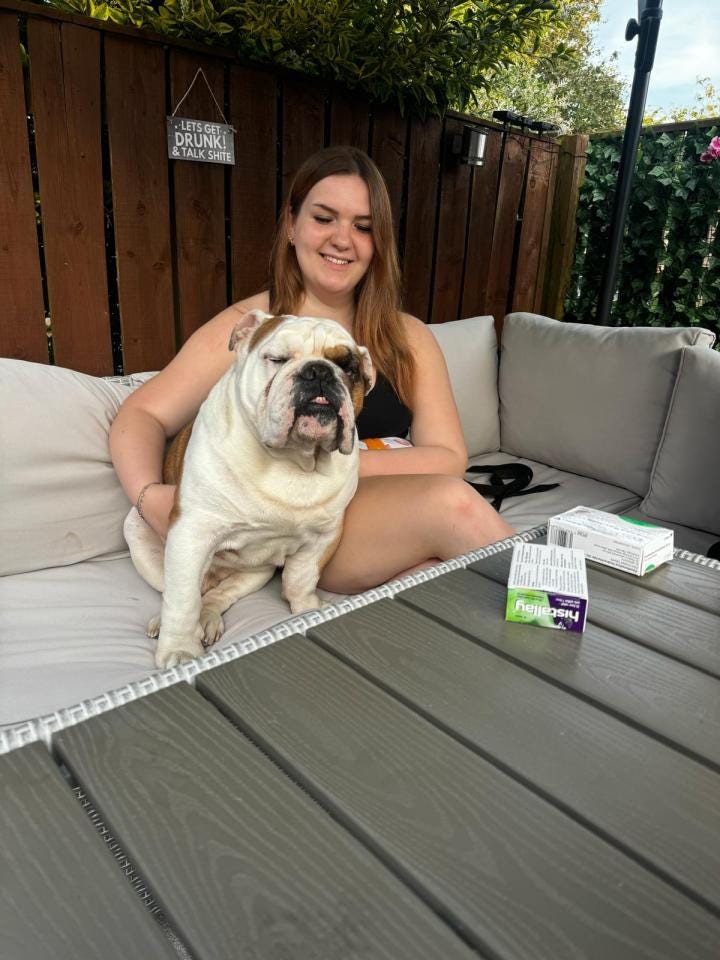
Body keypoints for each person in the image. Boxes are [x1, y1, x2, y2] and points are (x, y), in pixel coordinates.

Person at [109, 146, 514, 594]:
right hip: (296, 532)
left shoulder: (408, 337)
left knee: (448, 580)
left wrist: (334, 465)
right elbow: (141, 416)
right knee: (453, 506)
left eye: (363, 227)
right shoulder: (254, 332)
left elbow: (448, 457)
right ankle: (562, 606)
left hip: (377, 511)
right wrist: (150, 498)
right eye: (324, 218)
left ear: (378, 243)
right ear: (291, 225)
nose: (343, 239)